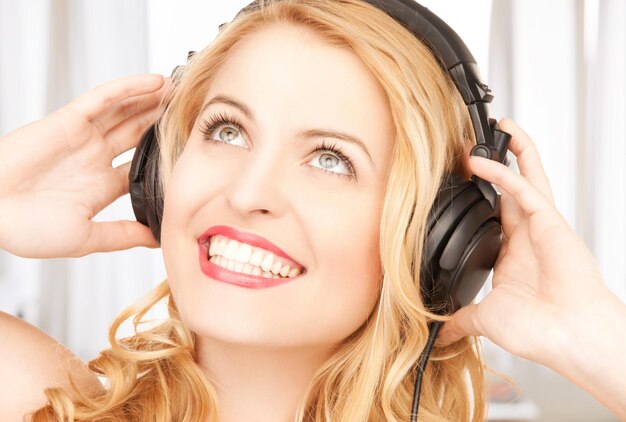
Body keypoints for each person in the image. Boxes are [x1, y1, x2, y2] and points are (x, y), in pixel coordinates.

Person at [0, 0, 624, 421]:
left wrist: (589, 336)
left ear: (436, 239)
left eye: (330, 159)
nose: (247, 194)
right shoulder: (38, 400)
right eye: (226, 131)